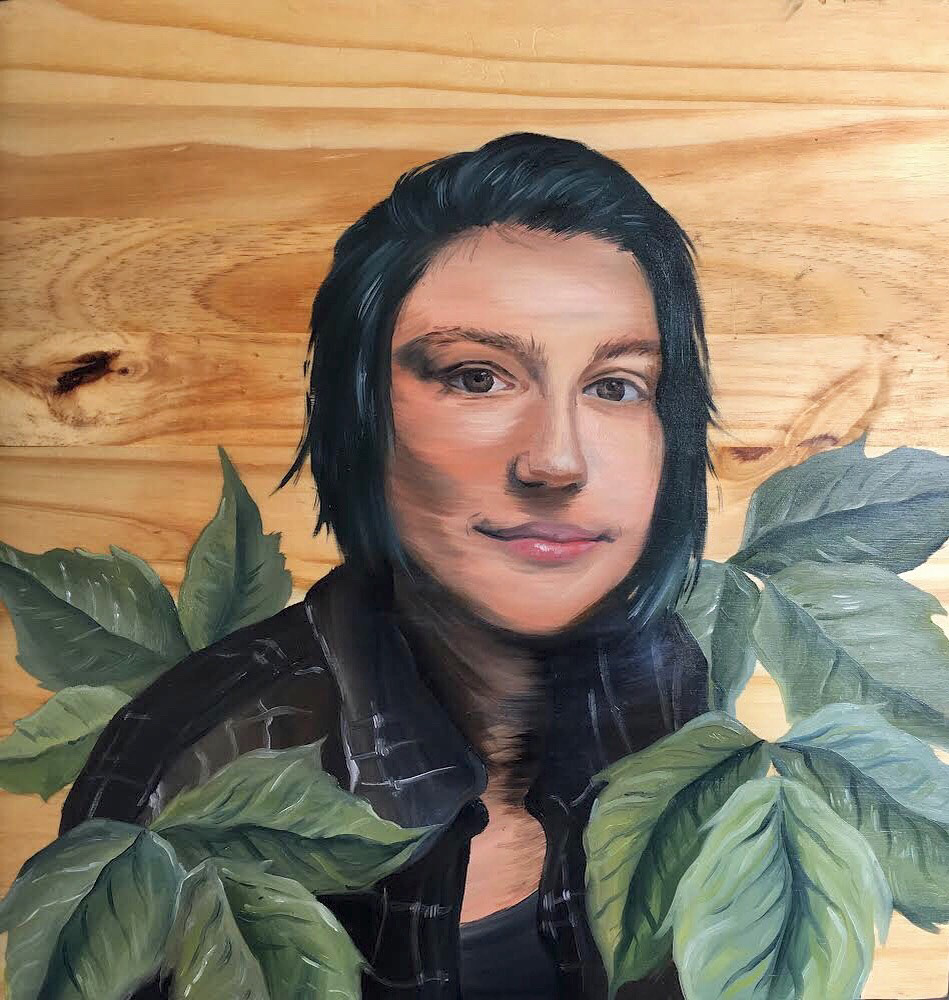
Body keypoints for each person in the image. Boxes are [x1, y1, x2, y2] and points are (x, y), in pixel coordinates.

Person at [62, 133, 714, 999]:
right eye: (477, 378)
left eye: (615, 386)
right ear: (360, 413)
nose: (557, 461)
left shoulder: (684, 703)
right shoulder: (199, 761)